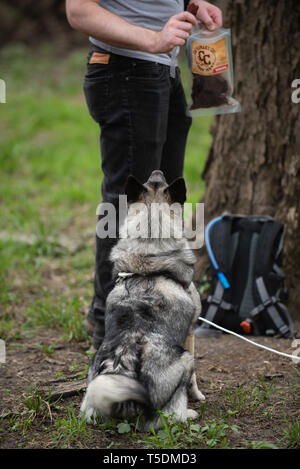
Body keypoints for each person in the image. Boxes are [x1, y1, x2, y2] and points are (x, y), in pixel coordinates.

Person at [65, 0, 223, 350]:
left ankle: (146, 317)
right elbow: (79, 11)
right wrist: (153, 39)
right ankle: (110, 331)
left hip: (164, 72)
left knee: (163, 204)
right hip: (126, 72)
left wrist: (192, 4)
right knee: (124, 206)